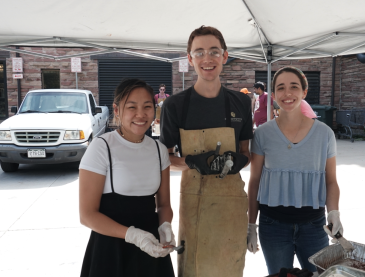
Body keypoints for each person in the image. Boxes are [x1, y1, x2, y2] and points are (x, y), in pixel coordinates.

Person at [159, 25, 253, 277]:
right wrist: (192, 162)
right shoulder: (174, 106)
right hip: (194, 204)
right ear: (189, 59)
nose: (207, 58)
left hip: (232, 206)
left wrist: (237, 161)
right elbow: (164, 159)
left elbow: (247, 152)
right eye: (199, 52)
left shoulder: (242, 102)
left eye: (214, 51)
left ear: (225, 56)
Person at [246, 67, 342, 275]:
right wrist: (251, 224)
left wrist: (334, 212)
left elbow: (331, 181)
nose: (287, 93)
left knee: (319, 274)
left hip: (314, 227)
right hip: (273, 226)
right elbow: (254, 181)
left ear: (304, 92)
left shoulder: (325, 134)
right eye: (281, 88)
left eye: (294, 87)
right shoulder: (263, 134)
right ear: (273, 95)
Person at [79, 78, 175, 277]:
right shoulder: (102, 147)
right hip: (110, 250)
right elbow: (87, 215)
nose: (141, 115)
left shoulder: (159, 150)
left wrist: (165, 226)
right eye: (132, 107)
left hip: (151, 246)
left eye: (147, 106)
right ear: (117, 110)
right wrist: (132, 235)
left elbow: (164, 204)